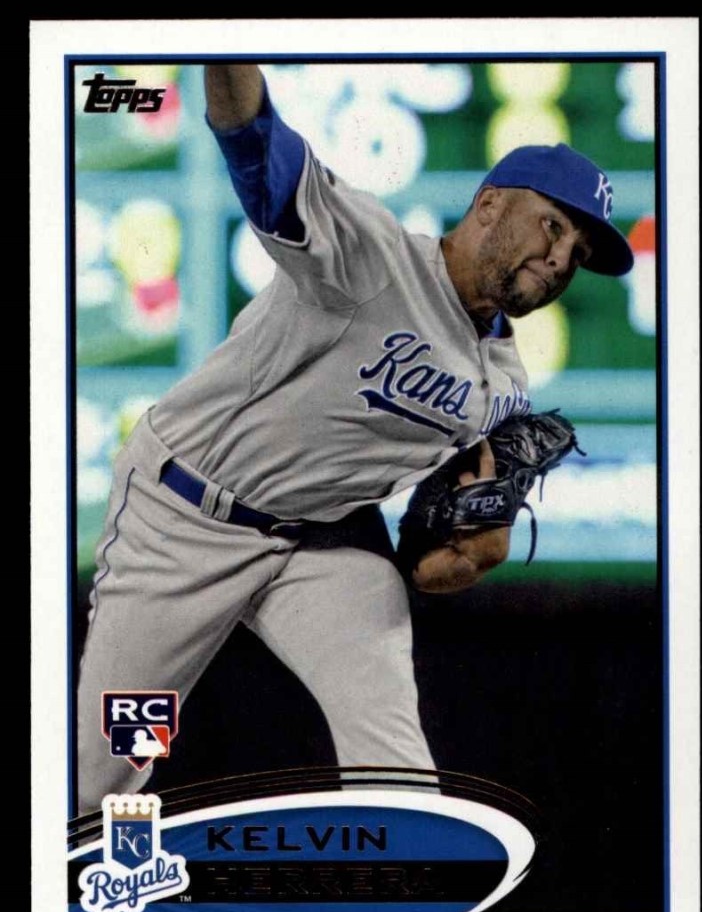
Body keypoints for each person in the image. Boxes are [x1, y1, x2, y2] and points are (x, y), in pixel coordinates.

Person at [76, 64, 633, 815]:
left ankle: (409, 863)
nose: (562, 258)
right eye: (554, 227)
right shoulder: (369, 256)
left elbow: (435, 563)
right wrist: (222, 45)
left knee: (392, 744)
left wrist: (470, 555)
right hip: (182, 517)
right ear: (491, 204)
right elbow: (252, 139)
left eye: (580, 254)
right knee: (102, 771)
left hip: (321, 540)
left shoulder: (505, 383)